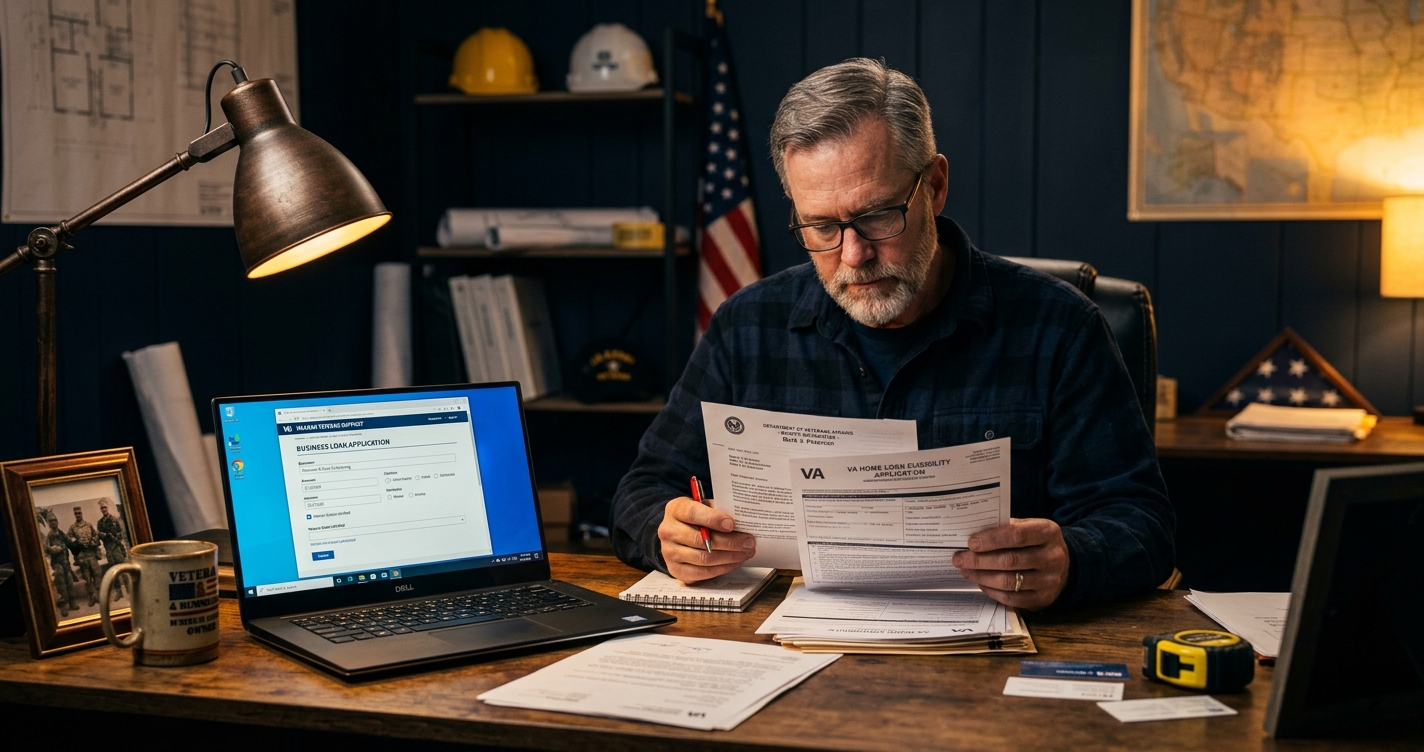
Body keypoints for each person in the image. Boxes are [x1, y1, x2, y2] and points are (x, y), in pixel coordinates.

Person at [610, 58, 1174, 611]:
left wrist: (1069, 560)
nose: (853, 256)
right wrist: (669, 533)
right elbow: (641, 491)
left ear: (934, 186)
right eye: (822, 227)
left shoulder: (1060, 328)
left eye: (878, 216)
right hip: (788, 653)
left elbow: (1141, 524)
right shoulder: (747, 327)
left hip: (988, 662)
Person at [43, 516, 79, 617]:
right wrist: (52, 549)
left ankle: (72, 603)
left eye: (55, 520)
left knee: (69, 583)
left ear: (57, 522)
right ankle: (63, 607)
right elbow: (46, 548)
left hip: (66, 563)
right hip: (57, 564)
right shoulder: (49, 536)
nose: (53, 523)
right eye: (51, 521)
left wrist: (77, 544)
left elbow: (69, 543)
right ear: (49, 524)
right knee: (61, 585)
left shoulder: (61, 533)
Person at [68, 506, 104, 607]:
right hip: (82, 556)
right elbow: (69, 538)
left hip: (91, 554)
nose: (78, 515)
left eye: (79, 513)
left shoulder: (88, 525)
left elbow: (95, 535)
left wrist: (92, 542)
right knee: (87, 579)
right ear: (74, 515)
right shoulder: (72, 528)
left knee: (97, 574)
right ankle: (92, 597)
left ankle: (100, 596)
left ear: (82, 513)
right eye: (76, 513)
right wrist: (77, 543)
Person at [97, 501, 128, 598]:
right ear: (100, 510)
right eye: (102, 508)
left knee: (123, 569)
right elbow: (100, 536)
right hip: (108, 548)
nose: (104, 509)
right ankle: (119, 592)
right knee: (113, 571)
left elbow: (120, 533)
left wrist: (116, 538)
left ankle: (129, 589)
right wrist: (103, 536)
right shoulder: (100, 522)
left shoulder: (114, 519)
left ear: (108, 508)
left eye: (105, 507)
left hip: (117, 547)